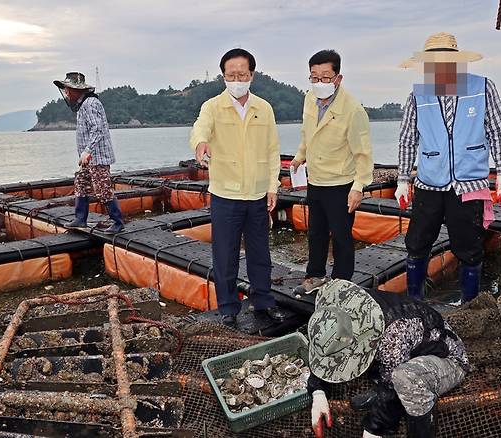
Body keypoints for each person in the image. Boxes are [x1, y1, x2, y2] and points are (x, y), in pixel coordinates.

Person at [395, 33, 501, 303]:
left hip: (469, 184)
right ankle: (415, 301)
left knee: (469, 246)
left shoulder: (483, 88)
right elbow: (407, 138)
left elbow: (498, 132)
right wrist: (403, 179)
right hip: (428, 183)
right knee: (417, 243)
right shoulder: (417, 94)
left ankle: (469, 304)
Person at [189, 48, 285, 327]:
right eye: (231, 75)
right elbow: (200, 128)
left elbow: (272, 152)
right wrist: (200, 143)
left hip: (256, 194)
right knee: (225, 255)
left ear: (252, 75)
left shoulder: (263, 108)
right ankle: (228, 308)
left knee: (260, 254)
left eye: (242, 74)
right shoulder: (212, 107)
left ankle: (263, 301)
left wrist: (272, 187)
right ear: (223, 77)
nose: (237, 78)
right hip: (225, 195)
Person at [307, 279, 469, 438]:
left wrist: (374, 428)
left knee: (405, 378)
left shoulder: (393, 333)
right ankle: (379, 393)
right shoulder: (339, 308)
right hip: (400, 353)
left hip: (447, 360)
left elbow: (392, 383)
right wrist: (318, 391)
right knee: (386, 373)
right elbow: (325, 347)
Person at [291, 50, 374, 295]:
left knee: (341, 236)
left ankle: (341, 282)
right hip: (316, 179)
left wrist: (359, 186)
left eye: (325, 77)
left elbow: (363, 153)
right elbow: (307, 134)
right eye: (314, 77)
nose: (319, 83)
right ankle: (315, 275)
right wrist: (298, 157)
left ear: (338, 78)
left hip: (341, 183)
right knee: (315, 232)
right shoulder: (308, 99)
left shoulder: (353, 110)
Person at [53, 72, 124, 234]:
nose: (66, 93)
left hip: (97, 156)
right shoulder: (83, 105)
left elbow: (97, 129)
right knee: (81, 184)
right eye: (65, 90)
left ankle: (118, 222)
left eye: (68, 89)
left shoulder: (91, 103)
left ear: (77, 90)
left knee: (102, 188)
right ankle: (80, 219)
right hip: (88, 159)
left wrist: (87, 151)